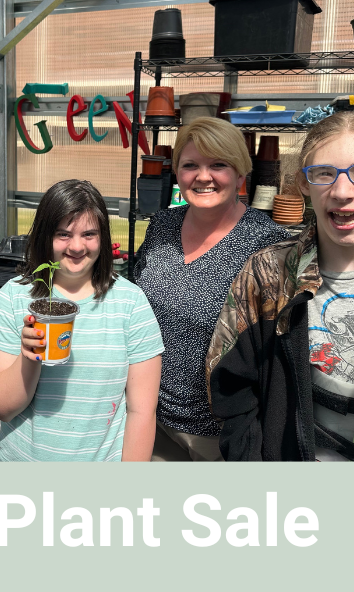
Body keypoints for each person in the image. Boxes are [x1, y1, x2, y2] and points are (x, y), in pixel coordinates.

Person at [207, 111, 354, 462]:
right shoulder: (270, 274)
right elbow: (232, 388)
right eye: (324, 173)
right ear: (304, 184)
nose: (342, 191)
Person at [133, 118, 290, 461]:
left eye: (218, 164)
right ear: (177, 173)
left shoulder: (267, 244)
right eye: (190, 165)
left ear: (240, 175)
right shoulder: (162, 226)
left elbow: (276, 351)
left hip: (219, 434)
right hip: (147, 416)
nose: (203, 176)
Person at [0, 180, 163, 461]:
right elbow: (2, 408)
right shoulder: (13, 299)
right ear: (45, 236)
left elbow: (141, 412)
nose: (77, 246)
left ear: (102, 237)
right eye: (63, 234)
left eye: (89, 234)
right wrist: (29, 357)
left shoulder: (131, 304)